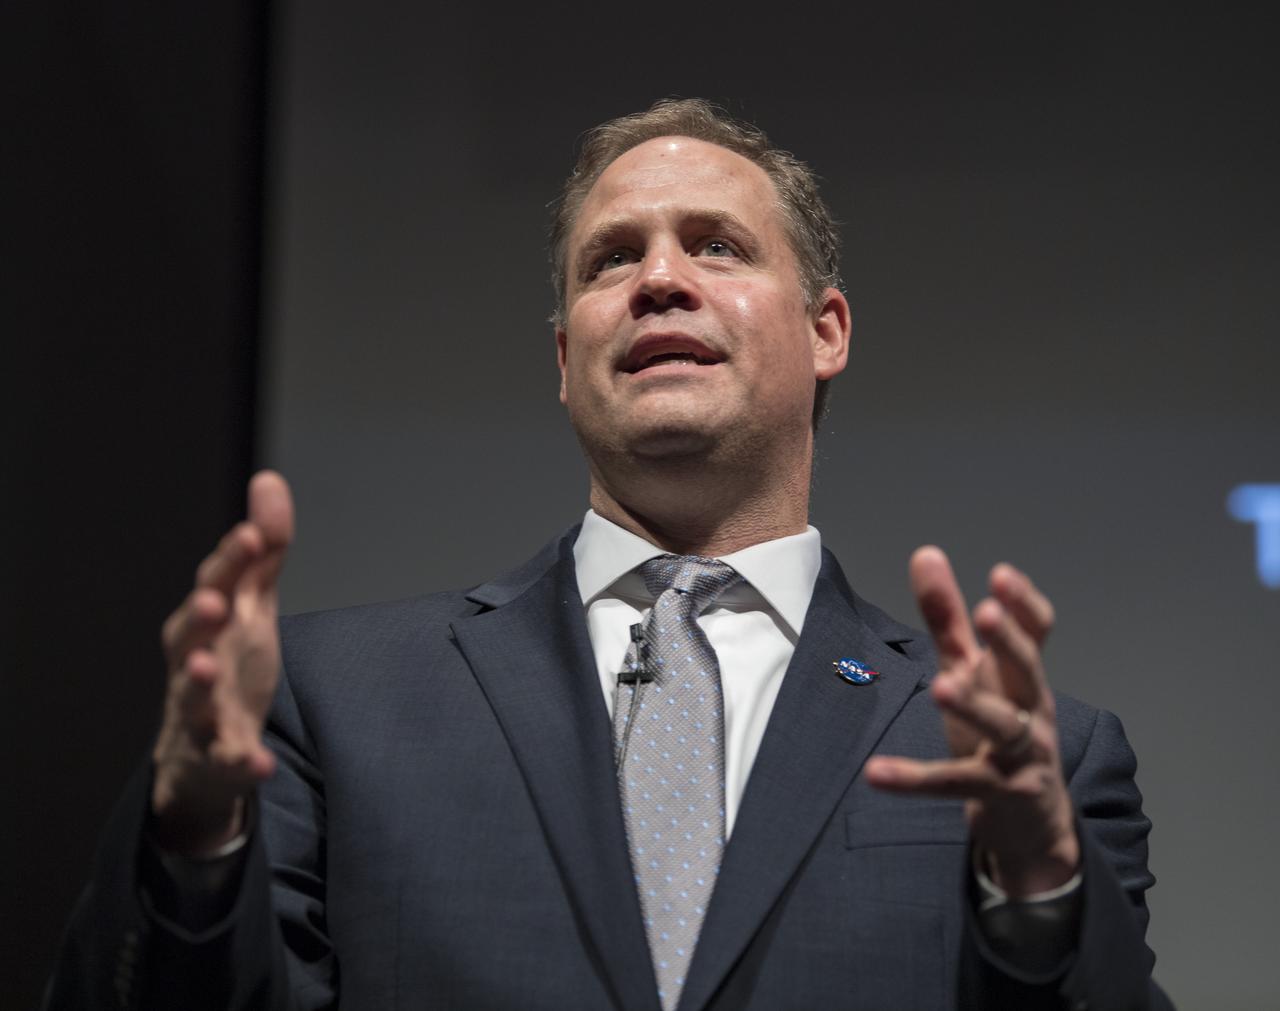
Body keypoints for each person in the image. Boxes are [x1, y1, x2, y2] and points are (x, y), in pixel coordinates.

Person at [46, 99, 1170, 1010]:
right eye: (609, 259)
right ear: (563, 356)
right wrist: (194, 838)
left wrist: (1036, 888)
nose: (658, 280)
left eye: (716, 246)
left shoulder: (1035, 768)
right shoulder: (331, 704)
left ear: (826, 330)